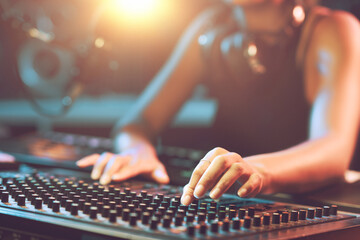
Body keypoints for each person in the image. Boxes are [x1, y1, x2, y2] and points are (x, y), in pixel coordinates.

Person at [77, 0, 360, 206]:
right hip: (223, 204)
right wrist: (136, 150)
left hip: (303, 210)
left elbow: (333, 150)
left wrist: (257, 171)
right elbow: (139, 122)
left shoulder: (334, 29)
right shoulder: (210, 27)